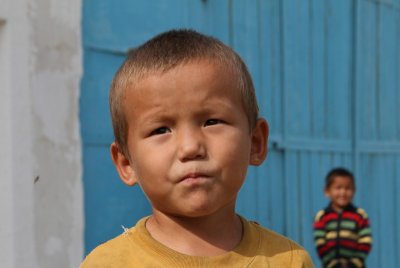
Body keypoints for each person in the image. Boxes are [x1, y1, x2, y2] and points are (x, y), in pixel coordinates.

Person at [81, 29, 313, 267]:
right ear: (126, 163)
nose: (191, 147)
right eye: (161, 130)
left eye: (212, 122)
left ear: (255, 142)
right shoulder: (107, 264)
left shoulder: (290, 261)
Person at [313, 168, 372, 268]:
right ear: (327, 191)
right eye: (338, 188)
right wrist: (332, 264)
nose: (343, 193)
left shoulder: (360, 215)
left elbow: (365, 242)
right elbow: (320, 243)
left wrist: (354, 264)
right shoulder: (322, 216)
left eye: (348, 188)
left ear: (354, 190)